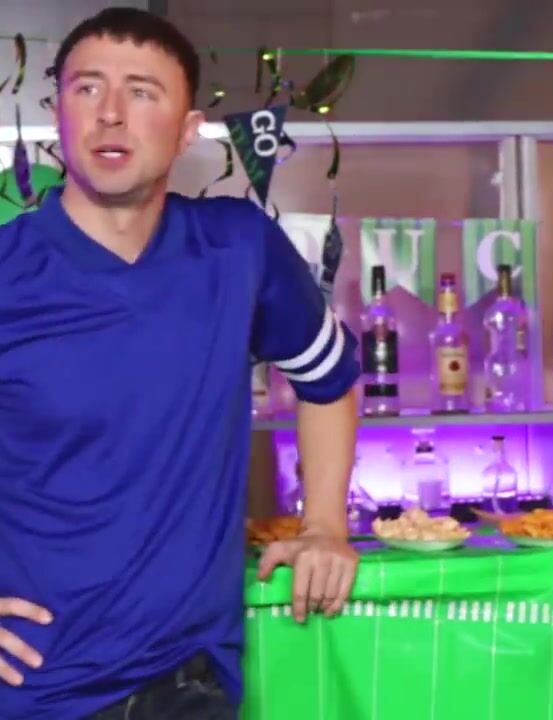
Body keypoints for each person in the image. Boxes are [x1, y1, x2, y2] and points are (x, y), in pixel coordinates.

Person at [0, 8, 361, 718]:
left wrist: (324, 524)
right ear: (57, 112)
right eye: (86, 88)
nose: (110, 113)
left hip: (190, 685)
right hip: (33, 689)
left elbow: (329, 379)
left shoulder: (238, 248)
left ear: (188, 128)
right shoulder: (8, 270)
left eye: (141, 92)